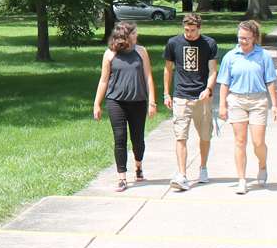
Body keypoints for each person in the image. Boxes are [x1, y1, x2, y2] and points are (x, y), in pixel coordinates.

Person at [92, 22, 158, 191]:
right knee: (119, 139)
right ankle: (122, 177)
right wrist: (96, 104)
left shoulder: (141, 51)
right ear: (125, 35)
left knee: (138, 139)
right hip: (116, 102)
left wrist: (152, 101)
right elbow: (104, 80)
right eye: (134, 33)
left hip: (138, 101)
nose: (137, 35)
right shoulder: (110, 54)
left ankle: (138, 166)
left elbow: (148, 77)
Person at [217, 19, 277, 195]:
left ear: (254, 38)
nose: (242, 41)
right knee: (240, 141)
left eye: (246, 38)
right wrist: (222, 105)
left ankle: (262, 165)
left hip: (258, 101)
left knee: (258, 142)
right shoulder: (230, 56)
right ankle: (242, 179)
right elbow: (224, 83)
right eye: (240, 37)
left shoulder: (263, 56)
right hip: (236, 100)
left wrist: (275, 104)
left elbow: (270, 81)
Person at [163, 13, 218, 190]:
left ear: (199, 28)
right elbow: (168, 70)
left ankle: (203, 167)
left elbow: (212, 71)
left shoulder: (209, 44)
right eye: (186, 30)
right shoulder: (173, 43)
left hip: (201, 97)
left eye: (193, 30)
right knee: (181, 137)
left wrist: (208, 89)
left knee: (204, 136)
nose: (189, 34)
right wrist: (166, 93)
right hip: (181, 96)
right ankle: (182, 174)